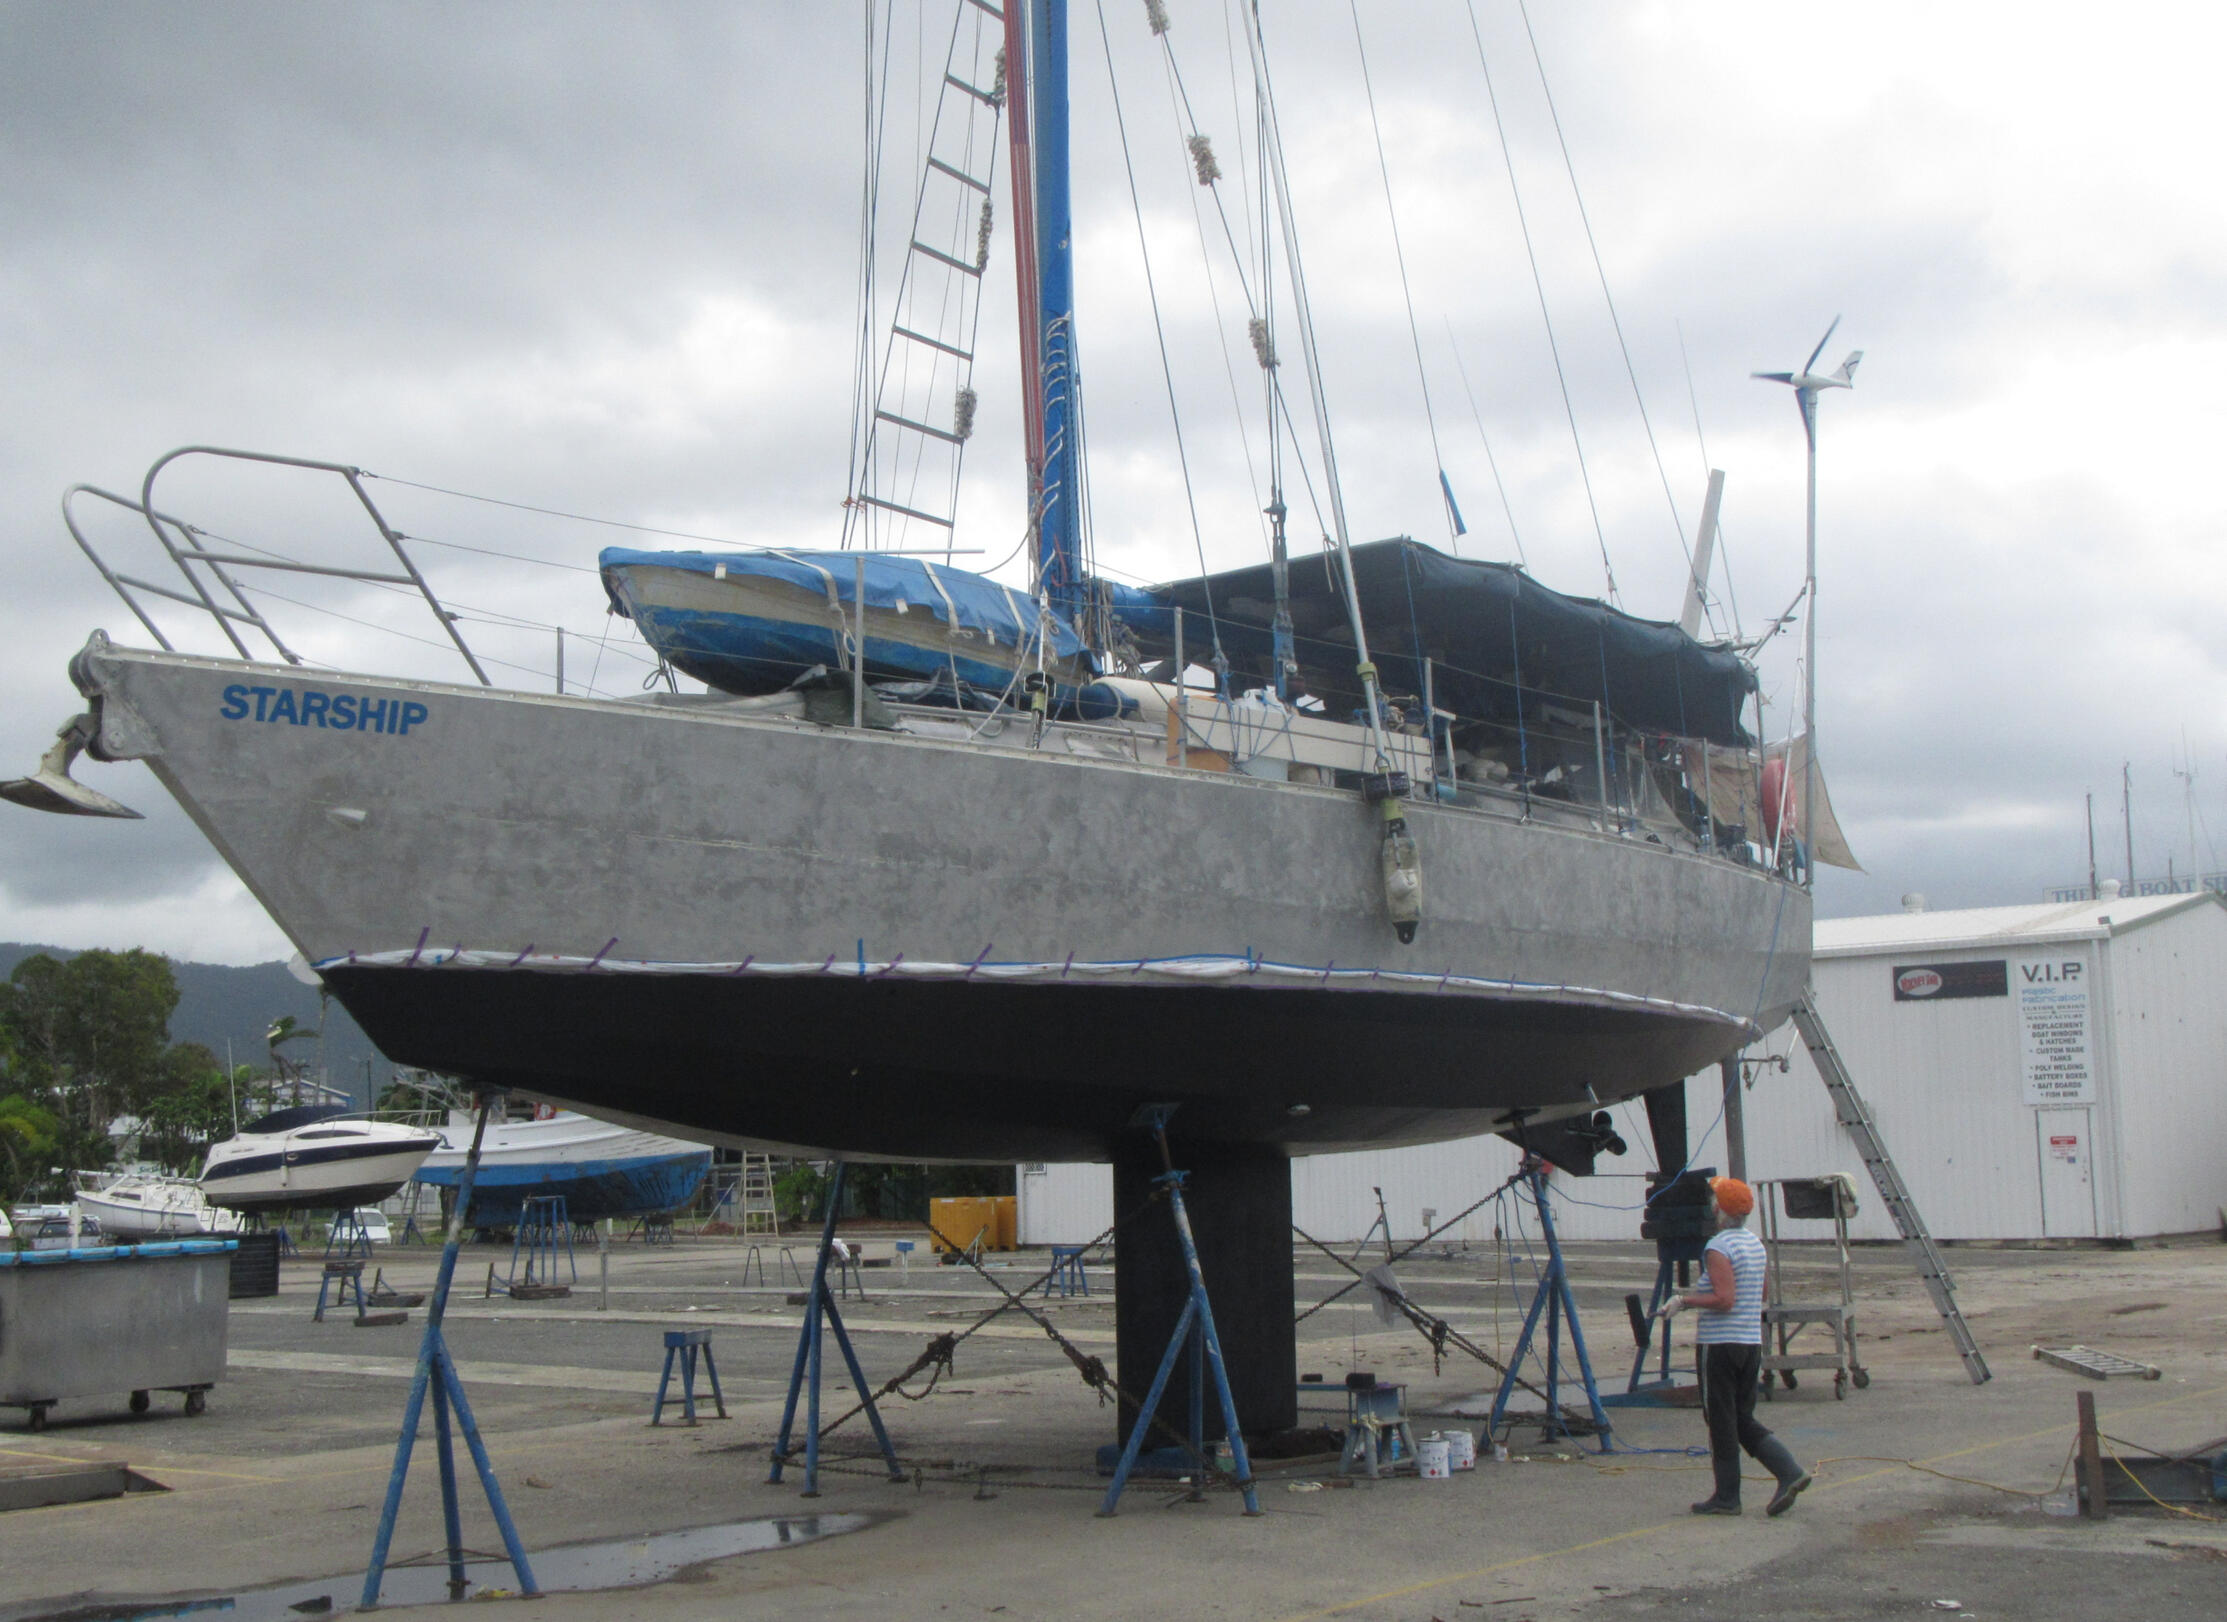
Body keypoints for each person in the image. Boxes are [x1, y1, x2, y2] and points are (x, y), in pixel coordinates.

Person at [1656, 1176, 1813, 1516]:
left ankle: (1730, 1495)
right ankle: (1787, 1472)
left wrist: (1685, 1301)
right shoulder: (1755, 1245)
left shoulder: (1718, 1247)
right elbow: (1761, 1294)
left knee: (1721, 1418)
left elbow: (1725, 1299)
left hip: (1721, 1342)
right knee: (1741, 1417)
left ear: (1719, 1209)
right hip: (1749, 1342)